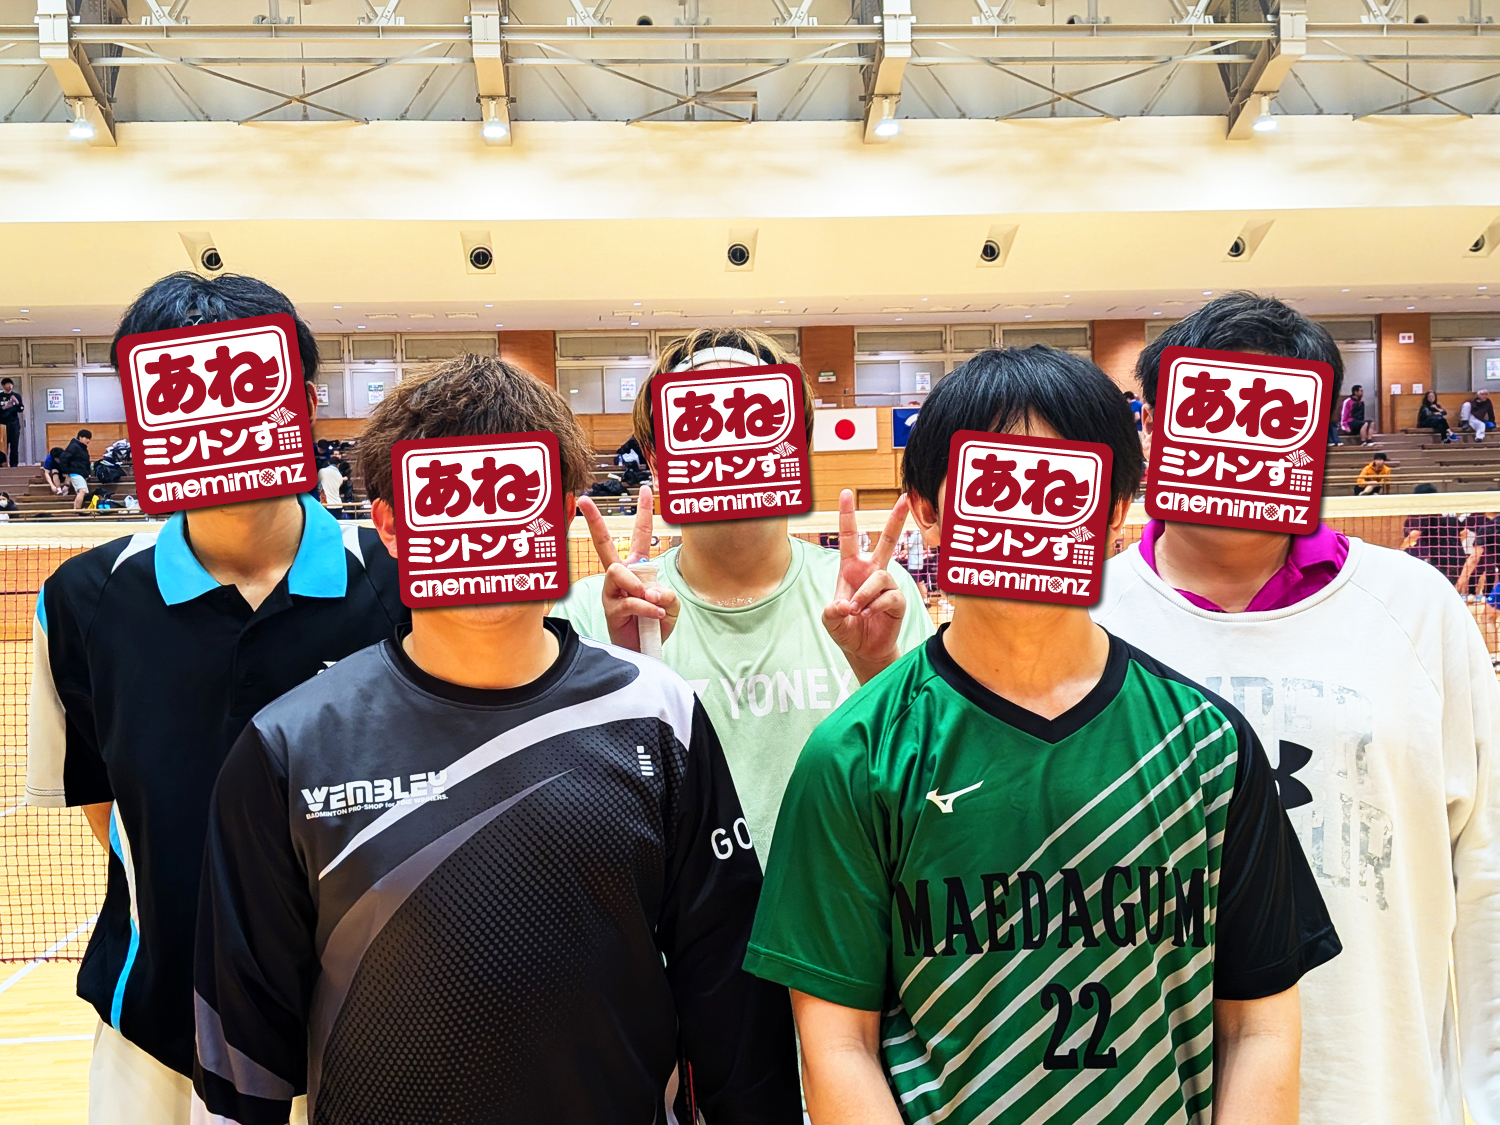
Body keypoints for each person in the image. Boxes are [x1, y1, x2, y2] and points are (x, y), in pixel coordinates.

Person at [192, 354, 800, 1125]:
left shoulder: (662, 714)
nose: (481, 529)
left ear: (562, 512)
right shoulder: (287, 746)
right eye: (447, 499)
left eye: (513, 497)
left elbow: (732, 1009)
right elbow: (242, 1056)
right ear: (390, 525)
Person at [748, 345, 1339, 1125]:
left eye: (1062, 486)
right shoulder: (853, 756)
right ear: (927, 509)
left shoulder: (1211, 746)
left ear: (1116, 509)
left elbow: (1258, 1024)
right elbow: (836, 1046)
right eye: (995, 485)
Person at [1094, 292, 1500, 1125]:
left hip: (1376, 1097)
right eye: (1207, 414)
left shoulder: (1417, 609)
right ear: (1155, 431)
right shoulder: (1080, 618)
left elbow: (1487, 873)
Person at [24, 271, 408, 1125]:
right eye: (177, 392)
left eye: (246, 385)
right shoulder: (81, 602)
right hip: (156, 1033)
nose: (216, 419)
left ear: (304, 403)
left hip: (370, 1028)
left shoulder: (401, 583)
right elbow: (111, 809)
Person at [554, 327, 934, 865]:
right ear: (658, 461)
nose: (729, 447)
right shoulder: (587, 615)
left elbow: (934, 789)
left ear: (798, 449)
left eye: (755, 421)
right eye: (698, 424)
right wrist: (627, 681)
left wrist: (877, 668)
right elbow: (566, 809)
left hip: (838, 912)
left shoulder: (877, 600)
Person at [59, 427, 94, 511]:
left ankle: (77, 509)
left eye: (89, 439)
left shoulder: (81, 448)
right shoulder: (74, 446)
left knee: (81, 492)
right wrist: (66, 470)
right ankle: (78, 510)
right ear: (80, 437)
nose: (88, 440)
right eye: (86, 438)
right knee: (82, 490)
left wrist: (87, 472)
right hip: (76, 472)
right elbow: (64, 458)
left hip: (80, 473)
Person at [0, 376, 25, 466]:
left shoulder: (16, 396)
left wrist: (17, 402)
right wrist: (6, 406)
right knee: (3, 446)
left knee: (14, 446)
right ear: (3, 385)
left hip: (14, 423)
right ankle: (2, 464)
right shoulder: (0, 396)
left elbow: (21, 409)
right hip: (2, 424)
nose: (10, 386)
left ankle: (14, 465)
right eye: (8, 384)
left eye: (11, 384)